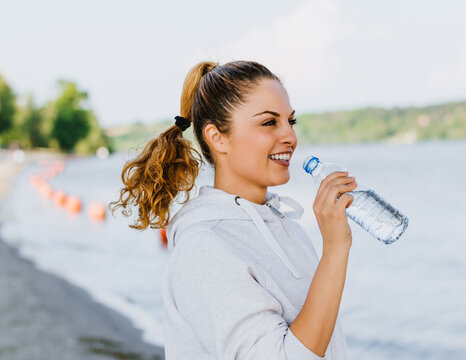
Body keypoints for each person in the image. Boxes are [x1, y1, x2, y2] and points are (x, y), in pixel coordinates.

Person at [110, 60, 356, 359]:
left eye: (291, 121)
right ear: (217, 137)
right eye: (269, 122)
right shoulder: (203, 247)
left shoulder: (288, 227)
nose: (290, 136)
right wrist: (335, 248)